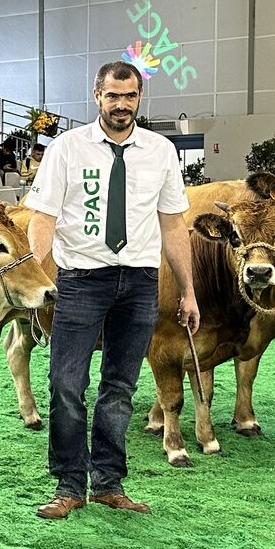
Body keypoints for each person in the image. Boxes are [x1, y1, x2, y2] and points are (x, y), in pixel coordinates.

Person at [24, 60, 199, 518]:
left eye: (130, 96)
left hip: (140, 281)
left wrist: (188, 291)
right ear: (97, 95)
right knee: (66, 383)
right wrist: (37, 270)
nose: (122, 105)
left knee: (119, 386)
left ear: (139, 98)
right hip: (81, 280)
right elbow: (42, 215)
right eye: (113, 96)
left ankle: (108, 482)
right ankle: (68, 485)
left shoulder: (161, 151)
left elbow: (173, 224)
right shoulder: (66, 148)